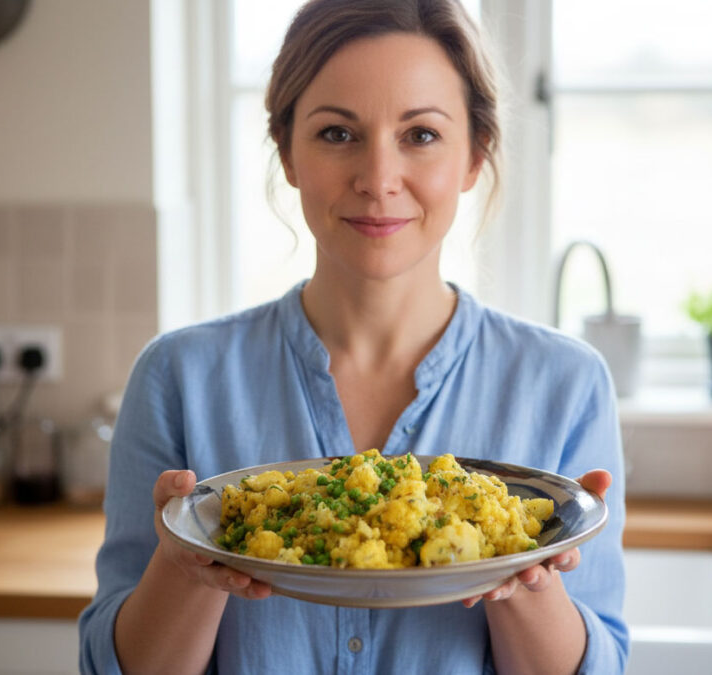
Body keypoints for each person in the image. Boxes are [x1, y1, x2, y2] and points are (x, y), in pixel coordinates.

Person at [78, 0, 628, 673]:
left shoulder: (567, 384)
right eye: (338, 134)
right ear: (287, 152)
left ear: (474, 156)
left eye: (421, 135)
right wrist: (186, 565)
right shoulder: (177, 377)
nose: (377, 179)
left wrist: (527, 575)